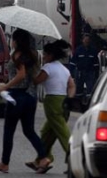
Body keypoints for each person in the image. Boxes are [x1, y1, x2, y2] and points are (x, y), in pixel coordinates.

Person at [0, 29, 51, 174]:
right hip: (30, 97)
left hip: (16, 96)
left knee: (9, 131)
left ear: (16, 41)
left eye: (12, 39)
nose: (11, 42)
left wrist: (5, 86)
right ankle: (43, 158)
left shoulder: (17, 55)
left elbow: (21, 74)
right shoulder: (33, 55)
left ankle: (4, 163)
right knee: (29, 130)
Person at [28, 40, 75, 172]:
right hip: (64, 102)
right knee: (47, 133)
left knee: (62, 132)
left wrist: (32, 69)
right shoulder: (64, 69)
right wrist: (69, 99)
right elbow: (71, 85)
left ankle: (75, 159)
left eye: (45, 55)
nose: (43, 57)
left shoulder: (47, 68)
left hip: (52, 102)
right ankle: (42, 159)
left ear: (50, 55)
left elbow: (36, 81)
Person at [69, 33, 99, 97]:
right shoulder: (78, 50)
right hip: (80, 73)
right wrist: (72, 73)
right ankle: (79, 102)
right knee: (78, 89)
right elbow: (73, 62)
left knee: (90, 89)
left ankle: (88, 102)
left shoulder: (93, 50)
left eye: (88, 40)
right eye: (85, 40)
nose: (86, 41)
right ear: (82, 40)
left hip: (90, 73)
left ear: (90, 41)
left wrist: (96, 74)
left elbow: (96, 64)